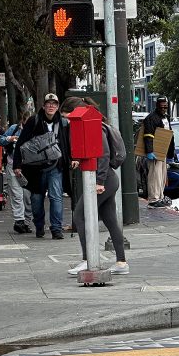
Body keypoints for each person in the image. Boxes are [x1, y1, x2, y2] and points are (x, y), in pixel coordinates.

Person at [60, 97, 128, 276]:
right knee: (110, 219)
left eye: (68, 117)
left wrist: (100, 182)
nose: (68, 122)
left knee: (80, 215)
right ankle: (121, 262)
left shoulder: (94, 125)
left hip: (102, 179)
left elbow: (103, 155)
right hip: (105, 178)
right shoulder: (94, 122)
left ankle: (87, 258)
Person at [13, 93, 77, 240]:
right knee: (36, 199)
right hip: (36, 169)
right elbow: (21, 144)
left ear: (57, 107)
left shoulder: (63, 123)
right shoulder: (33, 121)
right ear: (43, 106)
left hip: (56, 167)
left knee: (56, 197)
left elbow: (68, 143)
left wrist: (73, 159)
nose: (51, 106)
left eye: (54, 104)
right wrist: (17, 165)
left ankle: (56, 229)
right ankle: (39, 226)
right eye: (48, 103)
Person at [0, 111, 33, 234]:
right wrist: (10, 138)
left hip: (29, 166)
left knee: (28, 195)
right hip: (12, 164)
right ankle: (19, 220)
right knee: (16, 193)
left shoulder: (36, 130)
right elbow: (1, 140)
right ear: (22, 122)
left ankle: (26, 221)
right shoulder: (14, 129)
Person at [143, 96, 175, 209]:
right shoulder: (151, 118)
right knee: (154, 176)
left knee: (162, 176)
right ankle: (153, 199)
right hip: (155, 153)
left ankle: (160, 197)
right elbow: (148, 136)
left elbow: (169, 135)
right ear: (157, 105)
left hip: (163, 152)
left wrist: (172, 152)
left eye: (165, 106)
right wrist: (149, 151)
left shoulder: (166, 118)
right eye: (162, 106)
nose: (164, 108)